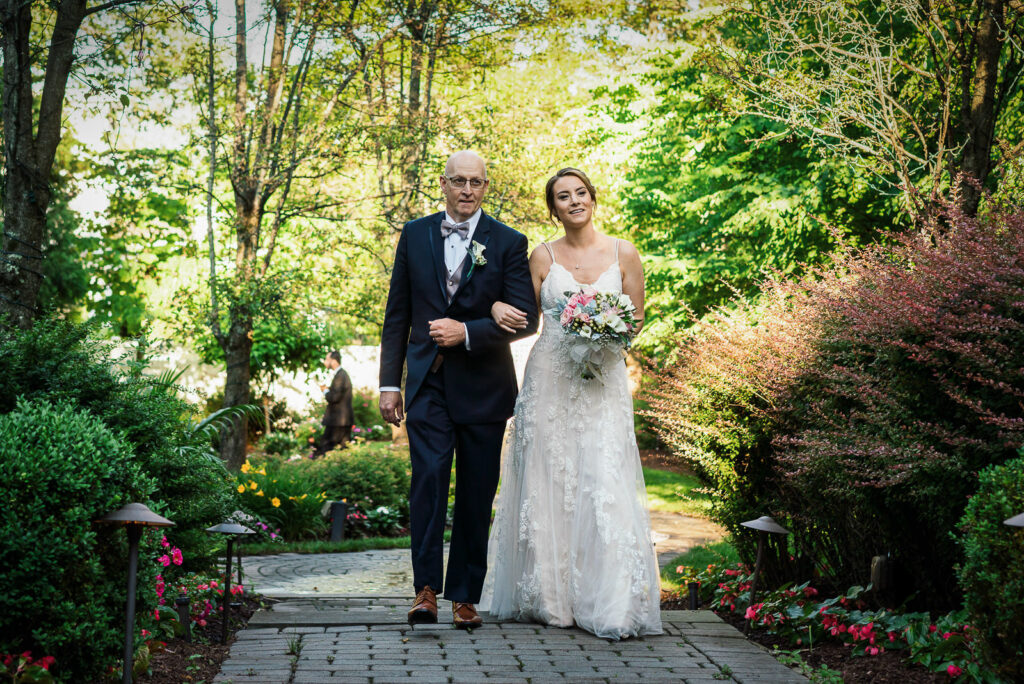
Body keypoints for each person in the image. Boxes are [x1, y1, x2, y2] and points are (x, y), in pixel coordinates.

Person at [480, 167, 662, 640]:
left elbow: (636, 318)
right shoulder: (540, 256)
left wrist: (604, 329)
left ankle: (610, 600)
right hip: (551, 378)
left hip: (601, 381)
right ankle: (551, 600)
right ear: (554, 208)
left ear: (593, 199)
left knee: (602, 479)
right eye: (564, 196)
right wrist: (493, 310)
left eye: (581, 193)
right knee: (549, 477)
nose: (574, 201)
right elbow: (521, 316)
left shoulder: (625, 253)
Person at [378, 151, 538, 628]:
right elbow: (397, 314)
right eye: (459, 181)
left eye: (477, 182)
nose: (467, 190)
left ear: (486, 186)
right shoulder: (414, 233)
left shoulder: (509, 242)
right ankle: (425, 590)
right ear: (443, 184)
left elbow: (523, 318)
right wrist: (390, 383)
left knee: (475, 491)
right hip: (426, 383)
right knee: (426, 484)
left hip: (484, 387)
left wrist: (467, 331)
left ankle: (465, 596)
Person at [313, 350, 353, 457]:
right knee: (344, 452)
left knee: (326, 448)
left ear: (334, 361)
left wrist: (325, 391)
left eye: (327, 359)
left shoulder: (340, 375)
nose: (325, 362)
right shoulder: (341, 374)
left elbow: (334, 397)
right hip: (341, 420)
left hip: (338, 421)